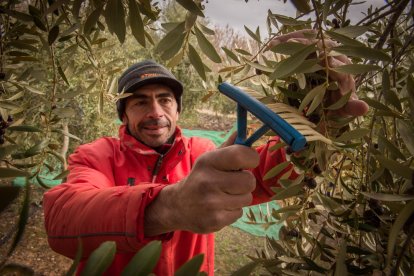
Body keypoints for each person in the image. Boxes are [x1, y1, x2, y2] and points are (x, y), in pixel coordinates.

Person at [43, 31, 369, 275]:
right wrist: (168, 206)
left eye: (165, 99)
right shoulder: (96, 155)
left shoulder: (203, 152)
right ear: (123, 115)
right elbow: (61, 221)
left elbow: (268, 174)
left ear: (178, 109)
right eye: (140, 101)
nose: (155, 111)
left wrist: (320, 127)